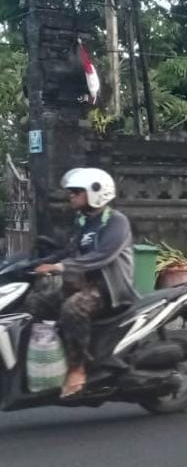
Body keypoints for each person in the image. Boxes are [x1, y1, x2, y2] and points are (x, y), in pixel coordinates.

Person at [29, 168, 136, 398]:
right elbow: (68, 251)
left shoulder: (116, 221)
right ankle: (53, 356)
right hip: (82, 285)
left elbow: (102, 256)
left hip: (110, 291)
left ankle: (78, 369)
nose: (71, 196)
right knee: (35, 303)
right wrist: (35, 264)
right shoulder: (83, 220)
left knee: (72, 308)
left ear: (96, 192)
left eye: (76, 192)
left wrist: (59, 267)